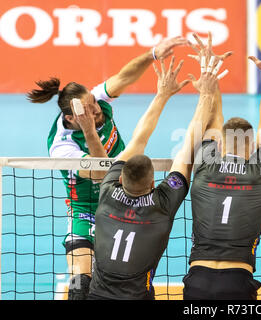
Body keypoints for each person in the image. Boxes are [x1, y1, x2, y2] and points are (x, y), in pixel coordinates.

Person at [26, 36, 188, 299]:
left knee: (133, 277)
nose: (98, 109)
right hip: (86, 211)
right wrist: (90, 131)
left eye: (95, 102)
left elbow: (123, 77)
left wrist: (152, 54)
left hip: (122, 200)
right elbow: (102, 172)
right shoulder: (61, 147)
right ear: (71, 118)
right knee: (80, 286)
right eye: (90, 110)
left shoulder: (94, 102)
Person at [87, 53, 224, 300]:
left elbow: (139, 140)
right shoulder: (162, 203)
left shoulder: (107, 190)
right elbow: (187, 150)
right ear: (153, 183)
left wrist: (162, 94)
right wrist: (205, 94)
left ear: (119, 179)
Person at [182, 34, 261, 300]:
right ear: (252, 145)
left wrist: (210, 73)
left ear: (219, 144)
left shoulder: (206, 163)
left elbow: (213, 120)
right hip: (238, 282)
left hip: (197, 280)